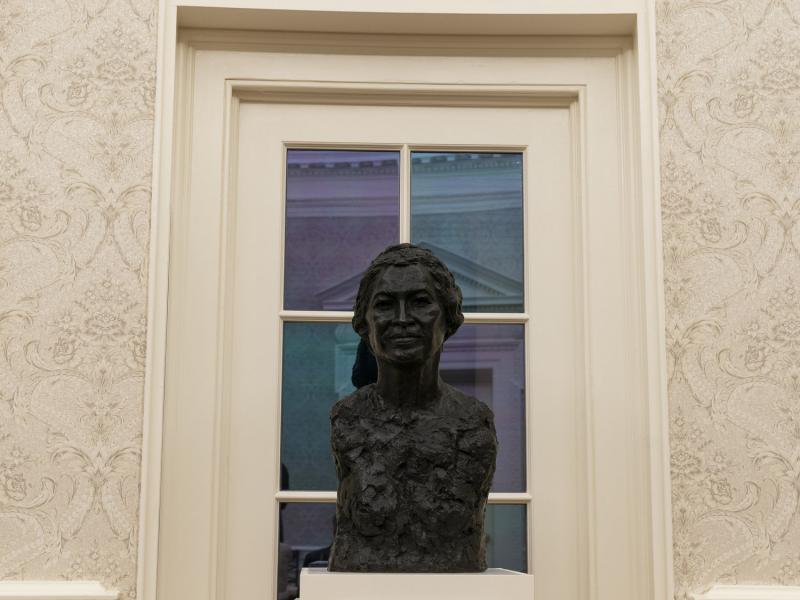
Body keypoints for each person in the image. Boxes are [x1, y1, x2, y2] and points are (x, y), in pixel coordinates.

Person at [329, 243, 497, 572]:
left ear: (447, 317)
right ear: (365, 324)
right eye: (386, 305)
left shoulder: (474, 425)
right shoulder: (347, 420)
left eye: (420, 302)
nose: (403, 320)